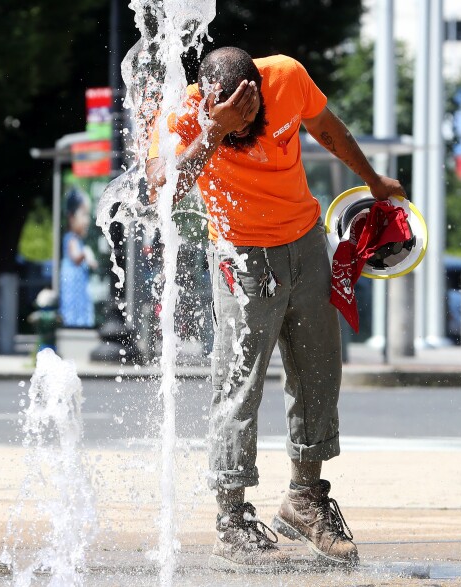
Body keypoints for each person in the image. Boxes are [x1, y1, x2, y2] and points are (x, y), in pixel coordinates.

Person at [146, 47, 407, 572]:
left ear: (261, 91)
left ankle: (305, 499)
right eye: (234, 121)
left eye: (252, 117)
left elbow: (328, 129)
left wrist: (373, 180)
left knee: (318, 373)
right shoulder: (181, 113)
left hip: (306, 242)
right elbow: (165, 188)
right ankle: (232, 520)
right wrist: (216, 131)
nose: (248, 129)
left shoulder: (286, 77)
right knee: (238, 386)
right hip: (241, 260)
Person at [60, 190, 98, 327]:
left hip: (79, 288)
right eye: (83, 215)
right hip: (73, 291)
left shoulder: (77, 240)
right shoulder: (71, 239)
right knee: (74, 314)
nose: (87, 220)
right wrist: (86, 253)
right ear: (71, 217)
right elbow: (76, 257)